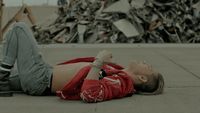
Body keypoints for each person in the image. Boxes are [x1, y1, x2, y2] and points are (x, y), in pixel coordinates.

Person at [0, 22, 164, 102]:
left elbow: (90, 93)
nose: (144, 61)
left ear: (142, 78)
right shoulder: (116, 74)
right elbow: (93, 79)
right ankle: (3, 77)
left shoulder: (119, 83)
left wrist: (99, 61)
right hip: (42, 74)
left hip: (41, 78)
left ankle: (2, 77)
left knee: (19, 28)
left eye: (147, 66)